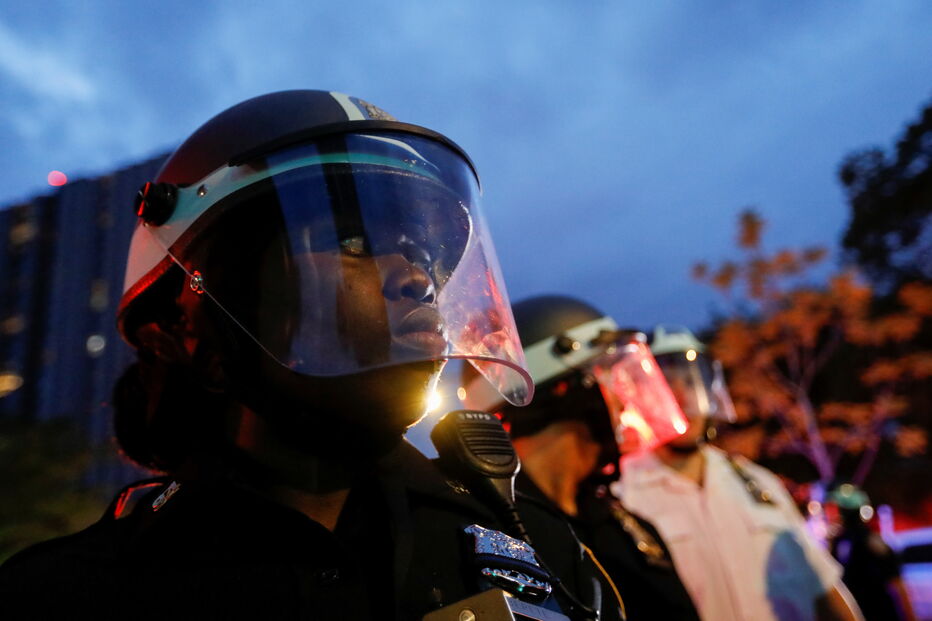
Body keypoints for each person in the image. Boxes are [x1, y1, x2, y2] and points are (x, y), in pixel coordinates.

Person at [0, 90, 620, 621]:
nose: (416, 277)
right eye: (350, 240)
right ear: (198, 335)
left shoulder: (538, 551)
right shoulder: (68, 597)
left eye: (423, 255)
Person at [462, 294, 701, 620]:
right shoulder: (488, 536)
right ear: (567, 389)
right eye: (613, 378)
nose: (627, 401)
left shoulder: (630, 529)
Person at [618, 325, 863, 621]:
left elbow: (823, 587)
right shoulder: (622, 495)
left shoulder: (759, 484)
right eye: (665, 384)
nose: (682, 396)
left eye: (691, 380)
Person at [826, 484, 917, 621]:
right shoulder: (845, 541)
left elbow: (895, 581)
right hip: (866, 612)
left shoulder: (859, 542)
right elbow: (897, 582)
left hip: (871, 612)